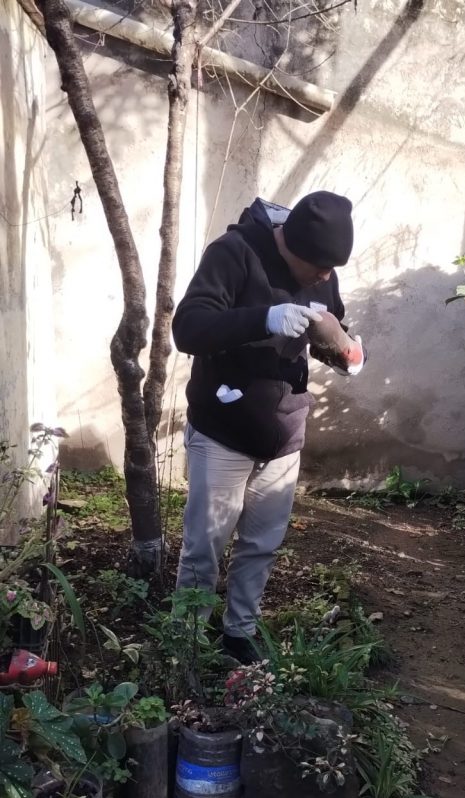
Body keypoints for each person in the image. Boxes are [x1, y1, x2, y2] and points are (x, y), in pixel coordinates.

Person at [172, 190, 364, 663]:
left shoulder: (322, 273)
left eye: (331, 268)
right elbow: (188, 328)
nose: (325, 276)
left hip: (283, 435)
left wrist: (342, 351)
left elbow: (330, 328)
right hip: (222, 431)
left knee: (261, 546)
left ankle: (239, 633)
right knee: (204, 546)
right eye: (318, 266)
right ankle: (186, 643)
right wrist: (264, 319)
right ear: (290, 246)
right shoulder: (234, 253)